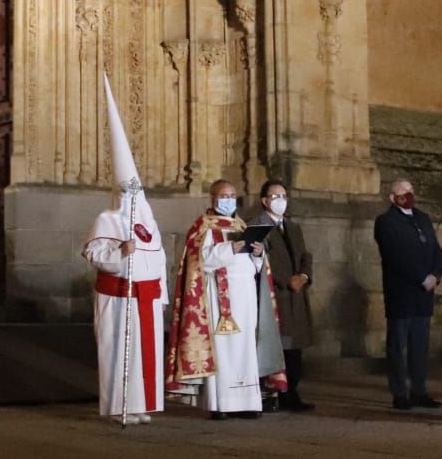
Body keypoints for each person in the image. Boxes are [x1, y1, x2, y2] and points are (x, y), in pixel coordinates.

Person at [82, 76, 166, 424]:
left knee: (147, 354)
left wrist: (162, 297)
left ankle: (142, 404)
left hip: (146, 297)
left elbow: (159, 258)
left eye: (137, 191)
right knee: (120, 351)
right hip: (118, 297)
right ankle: (120, 406)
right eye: (128, 191)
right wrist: (120, 253)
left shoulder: (149, 220)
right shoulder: (107, 218)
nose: (134, 198)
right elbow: (93, 254)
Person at [167, 180, 287, 419]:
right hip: (217, 296)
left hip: (245, 295)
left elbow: (255, 268)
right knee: (223, 349)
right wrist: (230, 249)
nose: (228, 200)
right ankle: (221, 404)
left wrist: (258, 254)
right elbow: (198, 260)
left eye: (232, 195)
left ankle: (247, 402)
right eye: (224, 195)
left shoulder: (241, 224)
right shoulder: (203, 226)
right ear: (213, 198)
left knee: (246, 348)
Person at [374, 178, 442, 410]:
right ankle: (399, 393)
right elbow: (396, 256)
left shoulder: (422, 218)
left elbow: (436, 249)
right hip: (402, 292)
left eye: (411, 190)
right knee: (398, 344)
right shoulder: (386, 222)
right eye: (403, 192)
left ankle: (419, 390)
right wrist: (421, 277)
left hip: (424, 294)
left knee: (420, 344)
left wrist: (435, 274)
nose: (409, 194)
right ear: (393, 197)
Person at [250, 180, 315, 411]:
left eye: (284, 196)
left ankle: (292, 393)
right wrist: (284, 279)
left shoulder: (293, 227)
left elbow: (305, 255)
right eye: (275, 197)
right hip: (276, 295)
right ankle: (272, 394)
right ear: (265, 201)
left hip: (296, 294)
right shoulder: (257, 226)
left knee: (295, 347)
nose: (281, 201)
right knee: (279, 344)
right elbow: (261, 260)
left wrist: (304, 276)